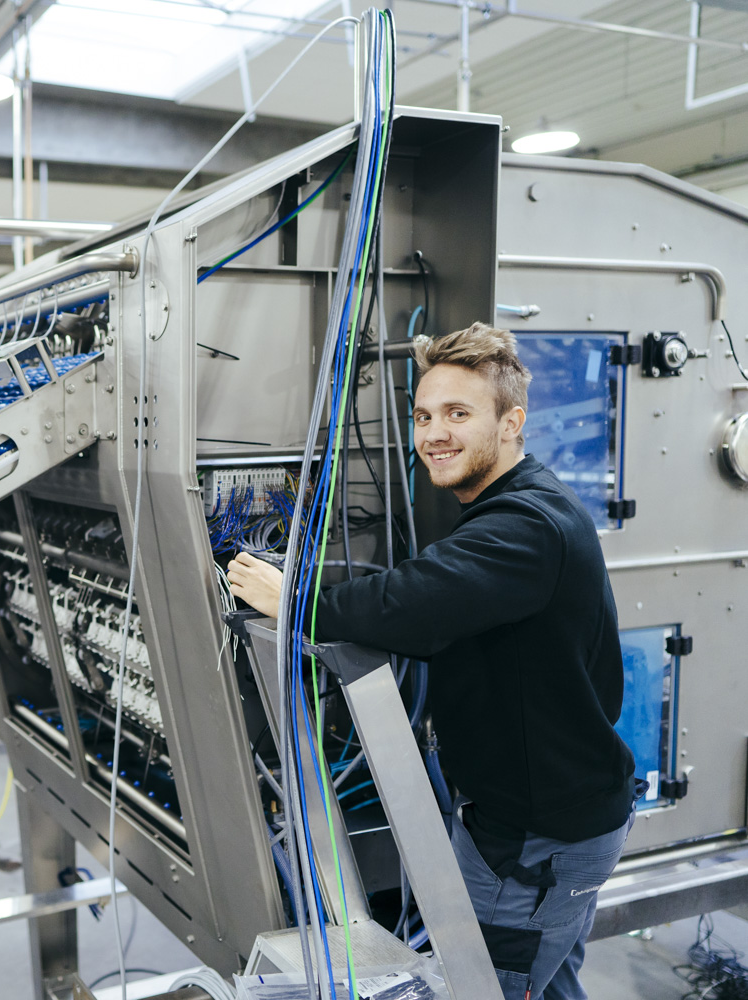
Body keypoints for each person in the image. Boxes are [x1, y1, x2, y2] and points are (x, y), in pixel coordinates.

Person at [227, 323, 637, 1000]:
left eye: (457, 414)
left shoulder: (525, 524)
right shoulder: (505, 505)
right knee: (543, 978)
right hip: (529, 818)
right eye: (422, 416)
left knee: (496, 986)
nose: (433, 434)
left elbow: (408, 602)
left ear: (510, 423)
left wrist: (295, 600)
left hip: (534, 840)